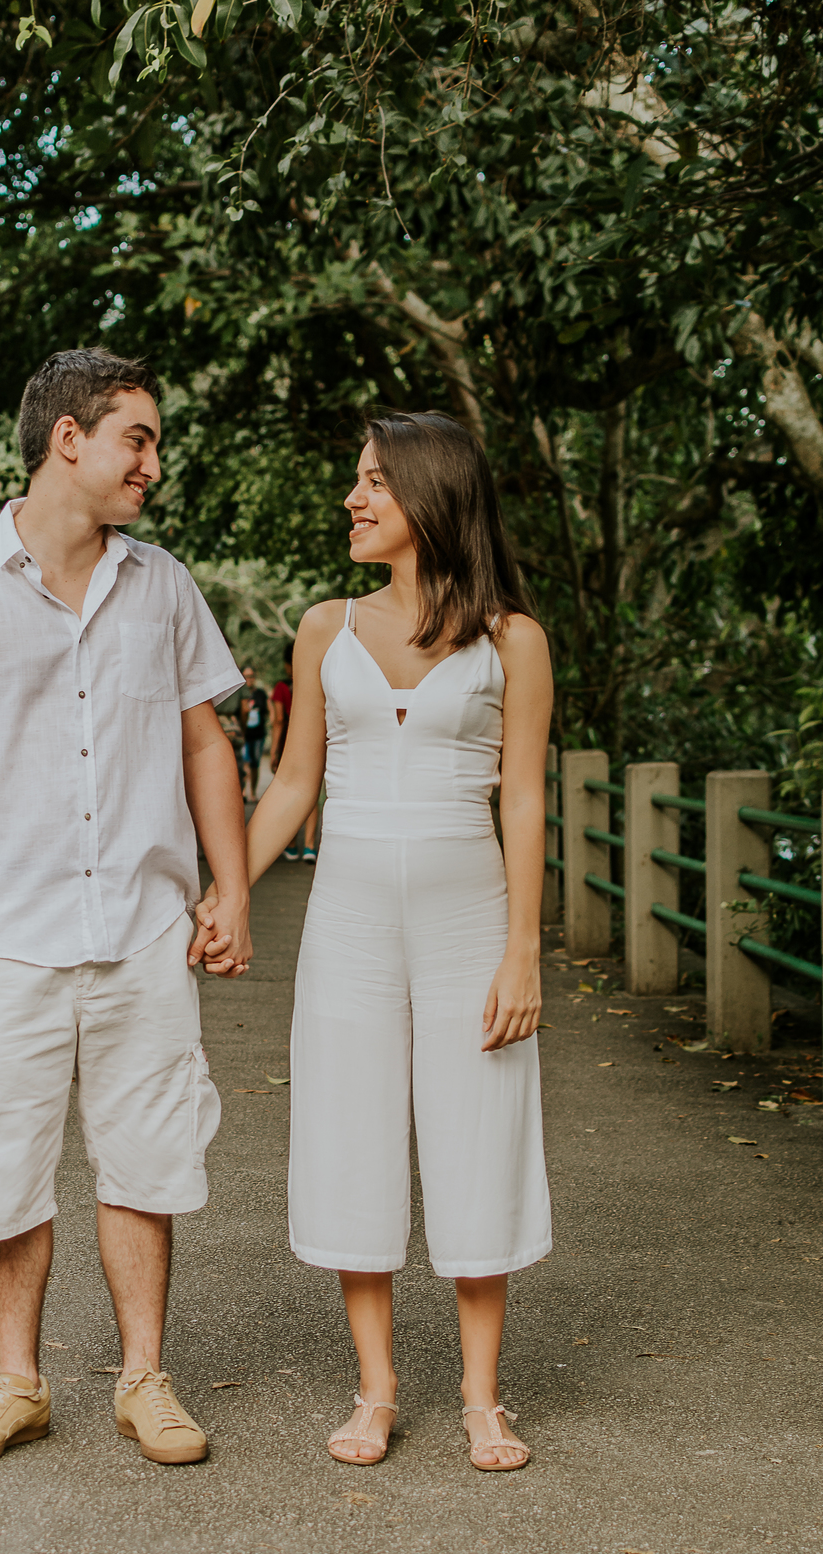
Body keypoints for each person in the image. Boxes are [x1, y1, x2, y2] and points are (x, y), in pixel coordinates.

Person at [0, 347, 251, 1471]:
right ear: (67, 439)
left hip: (142, 928)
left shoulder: (165, 586)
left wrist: (228, 888)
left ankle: (145, 1380)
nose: (153, 462)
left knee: (148, 1157)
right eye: (136, 437)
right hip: (1, 934)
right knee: (3, 1163)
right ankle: (17, 1384)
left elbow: (202, 740)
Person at [201, 411, 552, 1470]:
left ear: (430, 494)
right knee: (353, 1130)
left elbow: (526, 802)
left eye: (373, 482)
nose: (354, 499)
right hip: (347, 919)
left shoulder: (513, 641)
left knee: (478, 1130)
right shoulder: (325, 627)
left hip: (469, 919)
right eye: (355, 480)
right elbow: (295, 780)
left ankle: (484, 1399)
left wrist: (523, 951)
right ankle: (377, 1388)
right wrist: (229, 891)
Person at [270, 644, 319, 863]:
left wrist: (273, 751)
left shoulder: (282, 687)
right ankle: (309, 846)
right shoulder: (314, 683)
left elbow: (279, 720)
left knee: (290, 789)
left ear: (287, 664)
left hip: (290, 741)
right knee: (313, 792)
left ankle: (290, 846)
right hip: (314, 739)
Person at [236, 666, 270, 802]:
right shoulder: (238, 693)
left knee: (255, 764)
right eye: (246, 676)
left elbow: (268, 710)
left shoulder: (260, 693)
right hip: (243, 734)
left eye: (251, 676)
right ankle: (242, 791)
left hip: (258, 735)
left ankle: (253, 792)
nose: (249, 679)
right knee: (244, 762)